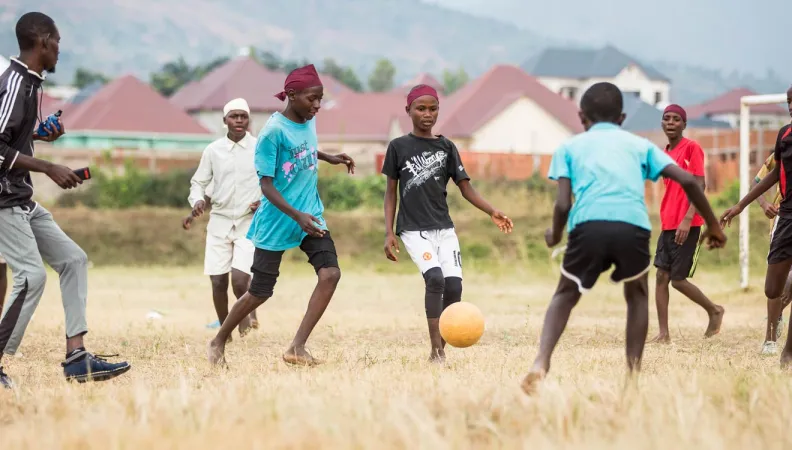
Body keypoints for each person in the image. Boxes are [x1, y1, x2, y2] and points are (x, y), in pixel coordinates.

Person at [521, 82, 727, 394]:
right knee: (637, 296)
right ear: (622, 117)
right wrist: (714, 225)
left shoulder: (568, 147)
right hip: (632, 228)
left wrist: (555, 235)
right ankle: (632, 377)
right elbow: (689, 180)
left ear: (581, 116)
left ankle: (541, 362)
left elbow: (563, 203)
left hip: (588, 226)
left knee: (565, 294)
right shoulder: (640, 145)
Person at [0, 12, 130, 389]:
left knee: (73, 260)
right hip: (4, 200)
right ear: (43, 42)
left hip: (20, 196)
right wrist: (47, 166)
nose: (60, 50)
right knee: (31, 277)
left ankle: (76, 357)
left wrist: (39, 136)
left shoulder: (30, 83)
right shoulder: (14, 85)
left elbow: (11, 139)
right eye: (57, 43)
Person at [207, 64, 355, 367]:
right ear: (291, 95)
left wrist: (328, 157)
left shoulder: (307, 119)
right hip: (277, 219)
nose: (317, 106)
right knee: (260, 292)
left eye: (320, 99)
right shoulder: (273, 132)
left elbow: (305, 149)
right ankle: (219, 339)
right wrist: (295, 215)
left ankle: (297, 347)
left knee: (330, 274)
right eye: (312, 99)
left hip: (310, 215)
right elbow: (266, 184)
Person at [381, 84, 513, 362]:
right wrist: (388, 232)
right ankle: (436, 351)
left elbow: (466, 188)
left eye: (433, 109)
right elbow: (390, 192)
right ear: (409, 111)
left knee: (454, 287)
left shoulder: (447, 147)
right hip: (413, 229)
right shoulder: (398, 147)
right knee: (435, 279)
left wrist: (491, 211)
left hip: (444, 228)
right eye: (421, 109)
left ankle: (442, 344)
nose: (427, 114)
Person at [721, 86, 792, 368]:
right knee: (773, 289)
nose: (791, 106)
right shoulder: (784, 135)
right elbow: (773, 173)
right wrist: (741, 205)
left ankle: (786, 352)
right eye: (789, 101)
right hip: (786, 219)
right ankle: (772, 335)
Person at [648, 105, 725, 344]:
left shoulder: (692, 148)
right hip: (667, 223)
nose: (670, 122)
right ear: (662, 123)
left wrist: (687, 219)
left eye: (676, 119)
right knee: (661, 276)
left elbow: (699, 185)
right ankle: (663, 334)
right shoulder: (663, 153)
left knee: (678, 280)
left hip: (688, 223)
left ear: (684, 124)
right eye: (666, 118)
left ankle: (714, 310)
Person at [185, 98, 261, 336]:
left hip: (249, 222)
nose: (239, 120)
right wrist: (197, 201)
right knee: (218, 281)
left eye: (243, 116)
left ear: (249, 121)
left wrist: (264, 202)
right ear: (225, 120)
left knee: (240, 280)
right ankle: (224, 333)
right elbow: (199, 182)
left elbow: (273, 180)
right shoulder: (213, 150)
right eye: (234, 116)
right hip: (219, 222)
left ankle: (244, 324)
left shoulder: (260, 147)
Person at [751, 143, 792, 355]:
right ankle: (770, 339)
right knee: (777, 283)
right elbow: (757, 182)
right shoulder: (782, 150)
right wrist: (764, 203)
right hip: (782, 222)